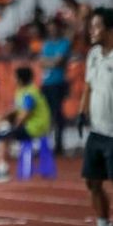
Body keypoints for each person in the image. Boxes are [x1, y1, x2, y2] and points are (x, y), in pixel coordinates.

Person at [79, 7, 113, 226]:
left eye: (97, 26)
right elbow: (88, 86)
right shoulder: (93, 54)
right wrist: (82, 112)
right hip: (96, 130)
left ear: (110, 30)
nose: (92, 31)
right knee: (92, 181)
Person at [0, 66, 51, 183]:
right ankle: (0, 158)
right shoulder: (23, 90)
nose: (13, 79)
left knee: (3, 136)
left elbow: (25, 113)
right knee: (4, 129)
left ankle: (1, 170)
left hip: (35, 127)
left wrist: (13, 127)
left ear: (20, 79)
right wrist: (2, 115)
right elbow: (16, 108)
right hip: (31, 125)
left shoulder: (30, 92)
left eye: (15, 77)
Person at [40, 18, 71, 155]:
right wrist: (51, 62)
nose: (52, 31)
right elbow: (42, 62)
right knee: (44, 115)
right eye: (50, 28)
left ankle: (59, 145)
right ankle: (44, 145)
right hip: (46, 83)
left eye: (54, 28)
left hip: (58, 83)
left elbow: (58, 62)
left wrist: (49, 62)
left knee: (57, 115)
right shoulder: (46, 44)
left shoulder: (64, 43)